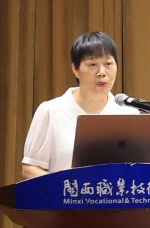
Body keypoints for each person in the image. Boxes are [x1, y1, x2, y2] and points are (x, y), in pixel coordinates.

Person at [19, 30, 139, 179]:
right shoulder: (51, 111)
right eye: (92, 64)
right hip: (65, 194)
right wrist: (66, 187)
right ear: (75, 69)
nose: (102, 72)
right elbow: (30, 169)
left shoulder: (129, 113)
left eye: (108, 64)